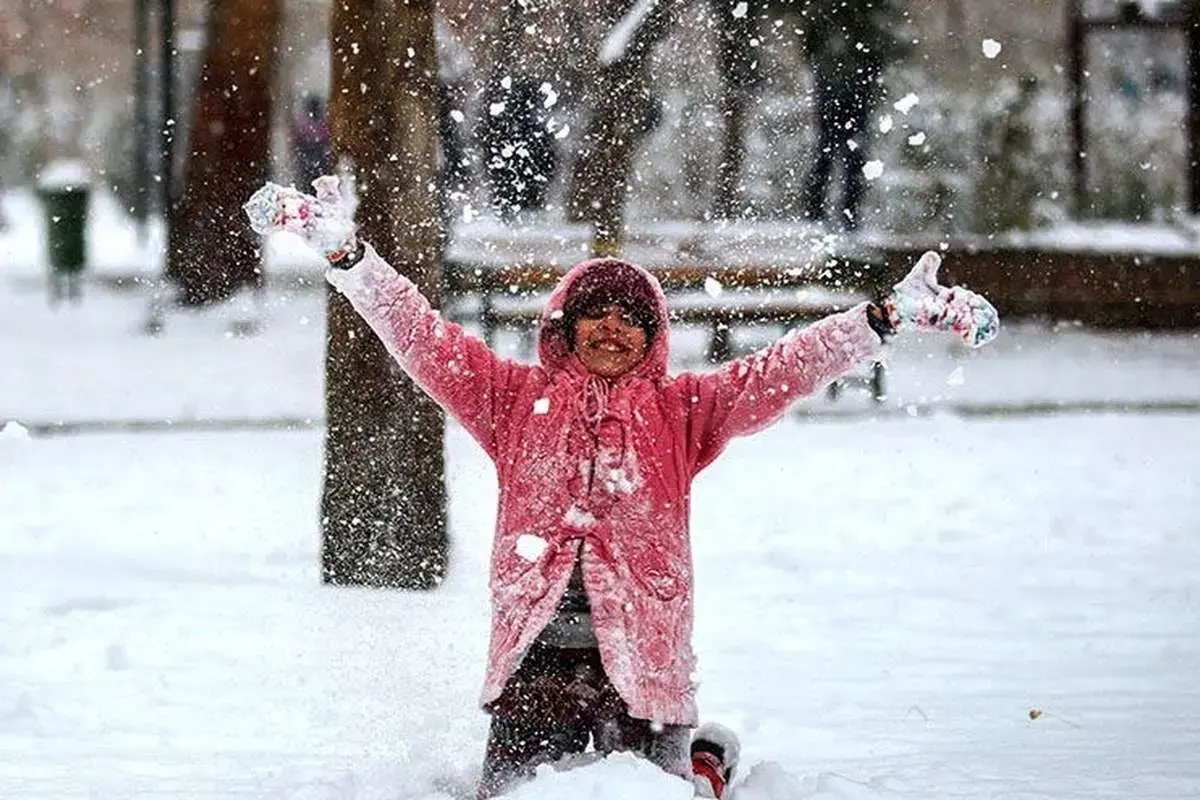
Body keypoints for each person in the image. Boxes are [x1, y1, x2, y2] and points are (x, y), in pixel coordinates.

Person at [244, 177, 998, 798]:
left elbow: (784, 367)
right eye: (594, 316)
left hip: (643, 660)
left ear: (654, 336)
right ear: (563, 330)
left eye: (631, 318)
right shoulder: (510, 399)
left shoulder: (684, 411)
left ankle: (701, 763)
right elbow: (418, 332)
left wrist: (885, 318)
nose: (611, 329)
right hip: (534, 662)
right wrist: (346, 253)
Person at [798, 0, 906, 230]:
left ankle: (839, 215)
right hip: (840, 83)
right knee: (833, 151)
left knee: (843, 152)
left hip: (851, 85)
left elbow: (886, 42)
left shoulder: (860, 15)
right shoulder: (838, 14)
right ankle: (824, 213)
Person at [291, 94, 332, 191]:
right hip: (318, 159)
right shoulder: (324, 124)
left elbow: (297, 142)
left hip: (308, 159)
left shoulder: (303, 125)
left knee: (307, 184)